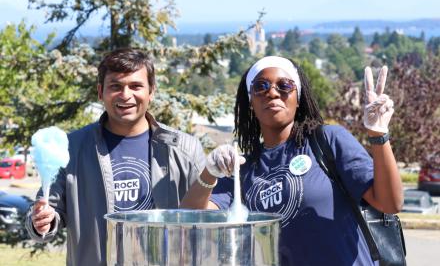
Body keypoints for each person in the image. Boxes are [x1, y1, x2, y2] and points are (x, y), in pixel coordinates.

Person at [181, 56, 403, 265]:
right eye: (261, 86)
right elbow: (191, 219)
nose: (273, 93)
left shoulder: (328, 140)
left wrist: (378, 135)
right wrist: (210, 172)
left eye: (284, 85)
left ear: (299, 98)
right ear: (250, 101)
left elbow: (390, 203)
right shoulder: (243, 170)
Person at [26, 48, 206, 266]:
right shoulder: (71, 149)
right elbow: (48, 213)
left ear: (151, 91)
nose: (126, 94)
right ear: (100, 92)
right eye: (116, 86)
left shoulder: (184, 149)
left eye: (136, 86)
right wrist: (42, 221)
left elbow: (205, 218)